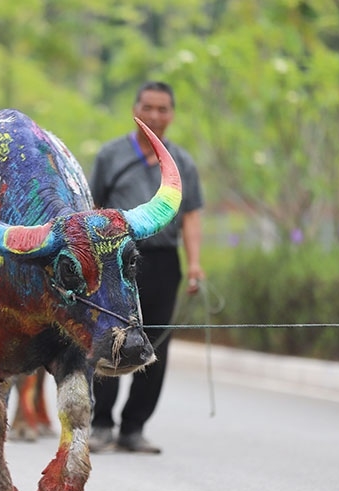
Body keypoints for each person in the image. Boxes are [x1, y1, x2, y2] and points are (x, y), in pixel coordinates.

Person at [88, 81, 205, 454]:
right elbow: (93, 210)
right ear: (136, 109)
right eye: (148, 108)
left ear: (172, 113)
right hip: (118, 260)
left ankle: (133, 427)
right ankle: (102, 424)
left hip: (162, 262)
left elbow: (191, 216)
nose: (155, 115)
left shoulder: (182, 162)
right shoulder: (110, 155)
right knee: (111, 336)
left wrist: (195, 265)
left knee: (155, 343)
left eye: (163, 109)